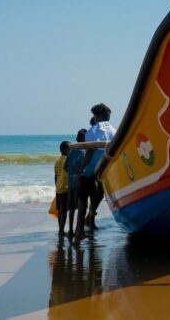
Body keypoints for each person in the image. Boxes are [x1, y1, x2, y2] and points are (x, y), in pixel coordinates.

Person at [73, 103, 117, 245]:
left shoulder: (91, 130)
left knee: (82, 199)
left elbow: (90, 152)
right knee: (96, 196)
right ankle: (90, 220)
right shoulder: (114, 131)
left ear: (98, 116)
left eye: (94, 115)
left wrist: (81, 170)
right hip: (103, 171)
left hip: (90, 171)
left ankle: (79, 231)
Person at [64, 129, 88, 237]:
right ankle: (78, 229)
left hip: (71, 184)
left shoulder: (71, 152)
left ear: (77, 139)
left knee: (71, 208)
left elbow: (65, 167)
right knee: (81, 208)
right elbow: (84, 168)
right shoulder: (84, 153)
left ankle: (70, 230)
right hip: (80, 183)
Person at [55, 141, 72, 236]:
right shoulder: (68, 160)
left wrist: (56, 187)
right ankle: (61, 230)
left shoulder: (57, 162)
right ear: (66, 150)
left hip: (59, 189)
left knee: (60, 211)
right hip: (66, 188)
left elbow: (56, 176)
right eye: (70, 149)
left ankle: (60, 229)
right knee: (65, 211)